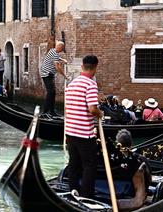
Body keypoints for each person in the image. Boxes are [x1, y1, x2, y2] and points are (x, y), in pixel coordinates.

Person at [65, 54, 103, 198]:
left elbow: (68, 109)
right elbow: (92, 109)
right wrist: (100, 114)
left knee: (73, 163)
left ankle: (73, 191)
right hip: (84, 133)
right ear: (95, 68)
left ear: (82, 66)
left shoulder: (71, 85)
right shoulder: (91, 84)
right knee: (89, 165)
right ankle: (87, 196)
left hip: (70, 131)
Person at [114, 129, 151, 211]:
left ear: (117, 143)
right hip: (133, 194)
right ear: (131, 144)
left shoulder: (111, 159)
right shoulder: (140, 159)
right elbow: (149, 180)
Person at [40, 41, 68, 118]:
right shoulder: (54, 53)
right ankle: (45, 112)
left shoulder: (52, 51)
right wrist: (65, 75)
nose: (62, 50)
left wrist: (62, 60)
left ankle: (52, 111)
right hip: (47, 74)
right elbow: (57, 67)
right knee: (50, 92)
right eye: (62, 48)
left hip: (48, 74)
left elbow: (56, 57)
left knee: (53, 92)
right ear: (59, 47)